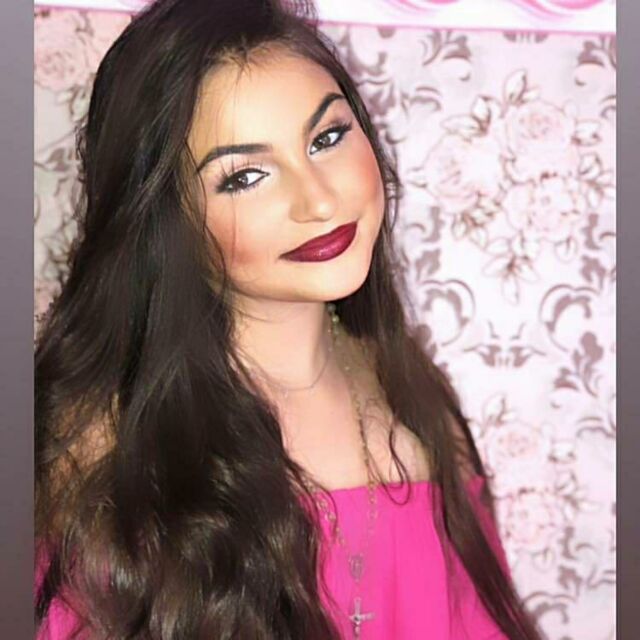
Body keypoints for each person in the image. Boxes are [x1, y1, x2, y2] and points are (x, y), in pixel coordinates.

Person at [34, 0, 544, 638]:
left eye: (327, 138)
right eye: (246, 176)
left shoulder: (418, 403)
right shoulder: (99, 455)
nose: (319, 200)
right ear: (163, 219)